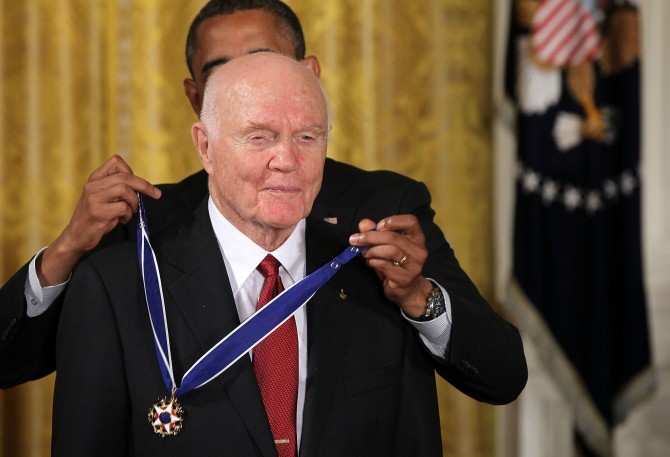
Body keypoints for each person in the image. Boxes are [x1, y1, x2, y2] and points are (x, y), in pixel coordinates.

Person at [1, 0, 525, 413]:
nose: (244, 84)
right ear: (196, 104)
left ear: (310, 74)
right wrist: (66, 250)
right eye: (219, 72)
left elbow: (502, 376)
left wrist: (420, 298)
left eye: (263, 62)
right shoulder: (145, 224)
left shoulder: (385, 208)